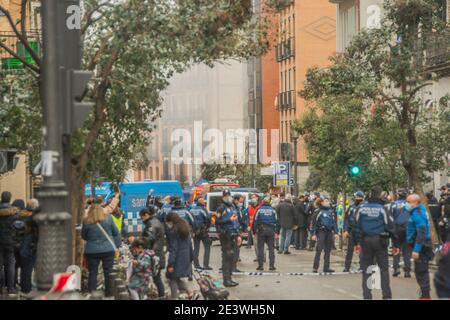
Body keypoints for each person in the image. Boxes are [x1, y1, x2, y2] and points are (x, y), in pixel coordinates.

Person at [354, 186, 400, 300]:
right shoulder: (383, 209)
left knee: (367, 270)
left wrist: (356, 243)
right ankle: (386, 296)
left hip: (365, 241)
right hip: (380, 241)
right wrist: (396, 244)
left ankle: (367, 296)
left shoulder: (361, 208)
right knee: (384, 269)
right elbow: (391, 226)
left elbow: (355, 226)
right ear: (380, 195)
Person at [81, 193, 120, 297]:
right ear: (101, 206)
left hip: (91, 250)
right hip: (108, 249)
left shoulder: (86, 220)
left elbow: (84, 235)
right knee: (108, 272)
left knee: (93, 272)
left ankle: (92, 293)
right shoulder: (108, 218)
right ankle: (109, 293)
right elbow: (115, 232)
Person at [405, 194, 433, 299]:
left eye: (408, 202)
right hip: (421, 244)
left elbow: (421, 232)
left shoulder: (417, 213)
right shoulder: (416, 212)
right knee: (420, 271)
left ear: (415, 202)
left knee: (421, 271)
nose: (406, 204)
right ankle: (424, 294)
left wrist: (416, 249)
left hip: (422, 246)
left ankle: (426, 296)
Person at [165, 212, 195, 300]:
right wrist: (191, 258)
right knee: (177, 278)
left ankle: (174, 297)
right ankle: (190, 292)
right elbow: (190, 245)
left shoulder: (173, 231)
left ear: (171, 221)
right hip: (185, 257)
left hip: (177, 258)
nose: (167, 224)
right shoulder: (185, 227)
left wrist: (171, 264)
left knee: (172, 278)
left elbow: (173, 249)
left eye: (168, 222)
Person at [137, 206, 166, 299]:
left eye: (142, 217)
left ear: (146, 215)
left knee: (155, 278)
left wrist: (138, 242)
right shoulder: (155, 221)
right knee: (156, 277)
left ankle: (161, 296)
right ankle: (161, 295)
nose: (142, 220)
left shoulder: (151, 224)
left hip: (154, 255)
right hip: (157, 254)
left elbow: (149, 238)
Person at [14, 199, 39, 296]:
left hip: (20, 246)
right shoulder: (34, 219)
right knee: (29, 267)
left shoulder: (18, 216)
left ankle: (25, 286)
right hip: (30, 246)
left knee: (24, 268)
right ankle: (27, 288)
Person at [215, 190, 240, 287]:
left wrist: (238, 234)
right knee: (226, 257)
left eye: (229, 195)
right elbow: (217, 221)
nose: (228, 197)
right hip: (225, 235)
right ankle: (226, 280)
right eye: (226, 196)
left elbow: (236, 221)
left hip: (233, 234)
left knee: (232, 257)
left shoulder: (233, 207)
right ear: (223, 197)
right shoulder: (221, 208)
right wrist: (228, 219)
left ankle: (230, 277)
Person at [311, 196, 339, 273]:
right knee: (319, 250)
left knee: (328, 250)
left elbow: (334, 223)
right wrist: (313, 234)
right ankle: (315, 267)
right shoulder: (318, 211)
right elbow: (313, 223)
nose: (328, 202)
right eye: (326, 201)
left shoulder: (331, 211)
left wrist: (336, 233)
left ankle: (326, 267)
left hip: (329, 232)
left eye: (328, 201)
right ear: (322, 202)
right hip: (321, 232)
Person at [389, 189, 412, 278]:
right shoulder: (410, 205)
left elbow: (390, 217)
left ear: (398, 195)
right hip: (408, 228)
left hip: (397, 229)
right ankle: (407, 271)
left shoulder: (393, 204)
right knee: (407, 250)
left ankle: (396, 269)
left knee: (396, 248)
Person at [0, 191, 18, 295]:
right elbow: (18, 227)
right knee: (11, 264)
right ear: (10, 198)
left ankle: (1, 287)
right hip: (10, 241)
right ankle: (11, 288)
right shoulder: (14, 212)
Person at [253, 197, 278, 271]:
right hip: (271, 230)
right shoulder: (273, 210)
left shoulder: (259, 210)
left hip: (261, 230)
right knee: (271, 248)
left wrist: (254, 231)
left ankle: (260, 266)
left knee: (260, 248)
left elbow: (255, 220)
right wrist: (277, 231)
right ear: (269, 202)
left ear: (263, 202)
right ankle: (271, 266)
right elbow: (277, 221)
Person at [343, 191, 364, 272]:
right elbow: (346, 219)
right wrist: (345, 230)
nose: (358, 198)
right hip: (352, 230)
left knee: (361, 249)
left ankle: (362, 266)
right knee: (349, 249)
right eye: (357, 197)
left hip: (361, 230)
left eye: (360, 197)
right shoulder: (351, 207)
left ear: (362, 198)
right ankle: (347, 267)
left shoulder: (364, 207)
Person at [189, 197, 212, 270]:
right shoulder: (203, 210)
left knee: (196, 248)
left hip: (195, 231)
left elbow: (190, 220)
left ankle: (196, 264)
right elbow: (208, 218)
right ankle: (206, 265)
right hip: (203, 231)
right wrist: (207, 227)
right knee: (207, 247)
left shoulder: (191, 210)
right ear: (202, 203)